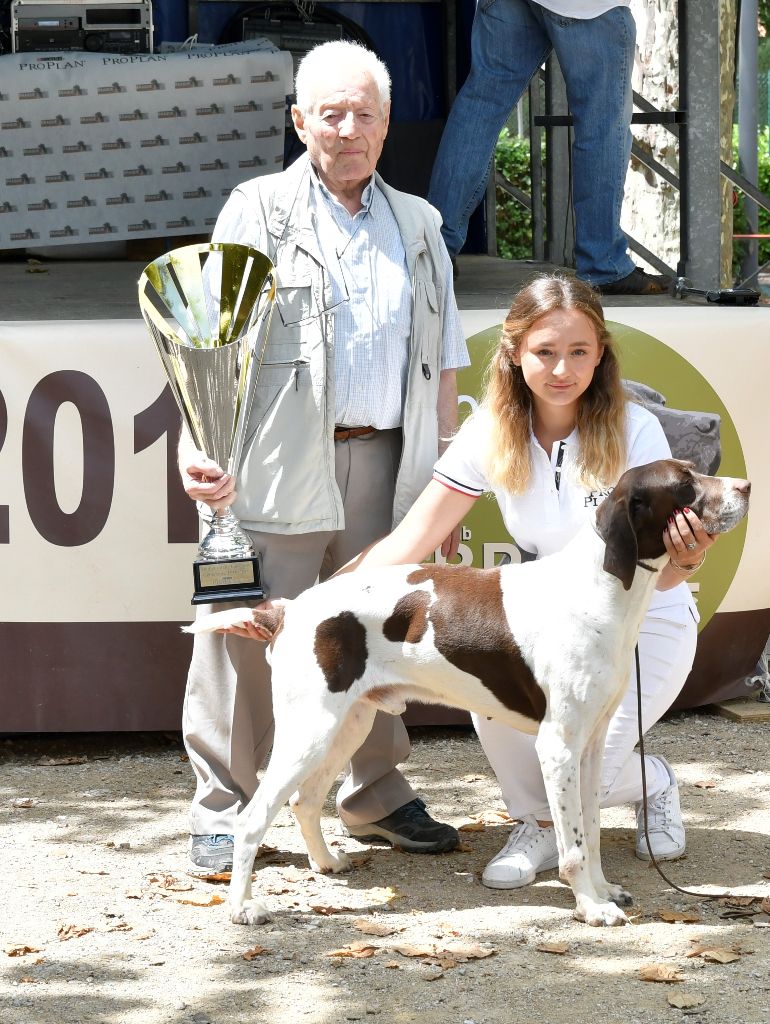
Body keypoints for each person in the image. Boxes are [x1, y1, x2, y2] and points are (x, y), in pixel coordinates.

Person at [179, 39, 470, 876]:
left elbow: (444, 358)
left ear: (386, 125)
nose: (348, 129)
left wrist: (444, 474)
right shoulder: (257, 209)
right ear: (299, 120)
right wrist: (201, 449)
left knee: (380, 635)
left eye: (364, 114)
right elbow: (208, 345)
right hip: (272, 463)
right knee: (243, 634)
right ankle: (223, 808)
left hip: (389, 463)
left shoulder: (420, 224)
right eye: (330, 114)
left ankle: (373, 794)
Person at [326, 273, 716, 888]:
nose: (563, 368)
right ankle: (537, 825)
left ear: (601, 354)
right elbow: (411, 541)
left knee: (589, 761)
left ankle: (654, 782)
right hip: (534, 632)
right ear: (514, 353)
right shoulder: (490, 430)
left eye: (579, 352)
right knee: (496, 698)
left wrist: (688, 560)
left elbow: (665, 578)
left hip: (644, 625)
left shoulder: (636, 430)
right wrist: (316, 604)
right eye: (545, 351)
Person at [427, 1, 670, 296]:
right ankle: (602, 262)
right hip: (587, 8)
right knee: (602, 128)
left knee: (481, 107)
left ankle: (433, 247)